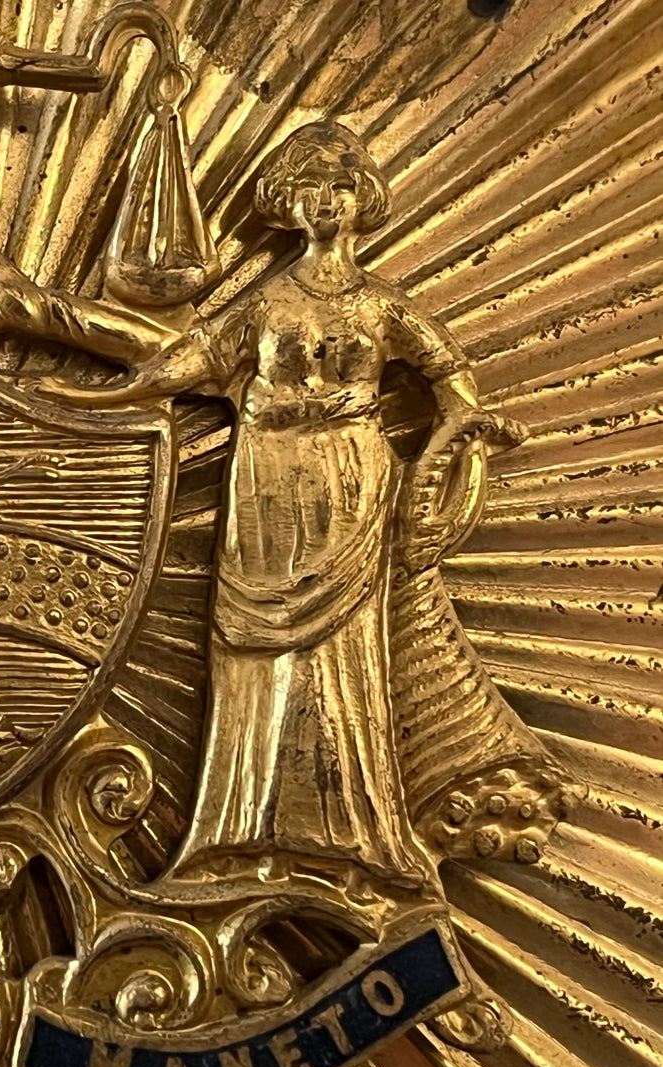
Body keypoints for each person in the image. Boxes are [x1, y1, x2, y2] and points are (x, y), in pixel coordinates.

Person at [171, 122, 520, 888]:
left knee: (343, 655)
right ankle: (237, 830)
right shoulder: (265, 303)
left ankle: (354, 834)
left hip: (350, 478)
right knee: (254, 650)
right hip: (266, 477)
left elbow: (449, 376)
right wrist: (82, 388)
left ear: (359, 198)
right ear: (286, 203)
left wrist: (461, 438)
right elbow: (186, 363)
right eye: (305, 189)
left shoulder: (379, 307)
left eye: (335, 187)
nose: (321, 203)